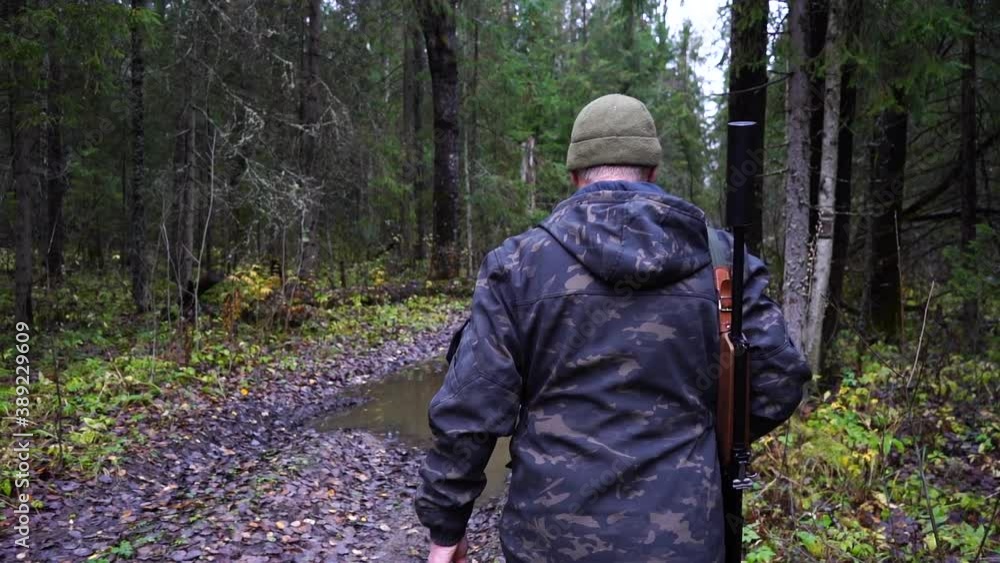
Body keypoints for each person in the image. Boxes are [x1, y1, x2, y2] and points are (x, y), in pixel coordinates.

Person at [415, 94, 811, 563]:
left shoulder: (517, 266)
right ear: (653, 171)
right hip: (682, 539)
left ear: (575, 174)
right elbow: (778, 381)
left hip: (550, 541)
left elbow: (472, 408)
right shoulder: (722, 263)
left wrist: (446, 525)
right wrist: (702, 433)